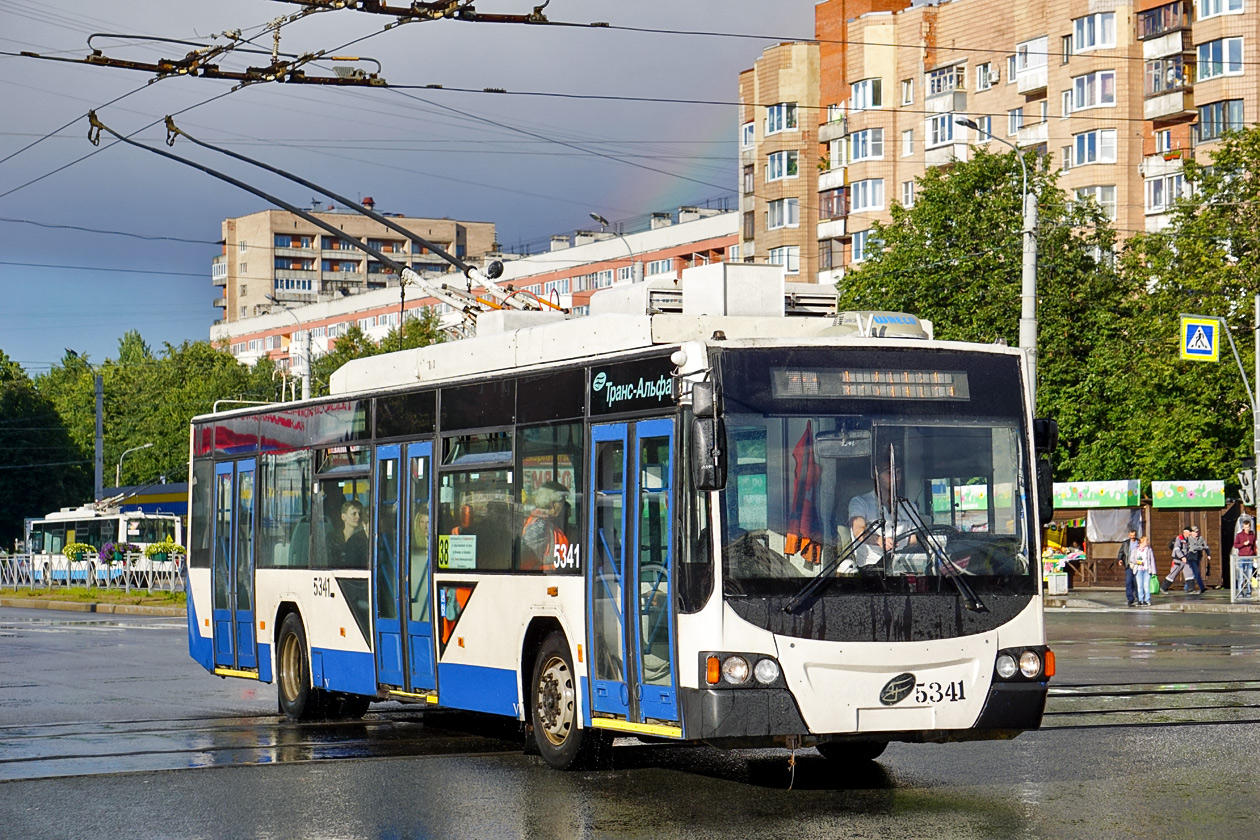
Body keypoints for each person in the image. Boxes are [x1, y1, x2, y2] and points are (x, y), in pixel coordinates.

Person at [845, 456, 920, 571]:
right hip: (871, 570)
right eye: (889, 473)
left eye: (898, 472)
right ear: (877, 476)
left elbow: (914, 541)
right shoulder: (860, 502)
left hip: (902, 568)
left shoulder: (909, 506)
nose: (896, 477)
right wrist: (879, 540)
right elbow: (858, 530)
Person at [521, 480, 571, 571]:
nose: (564, 507)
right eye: (562, 502)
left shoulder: (548, 523)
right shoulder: (539, 526)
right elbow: (527, 560)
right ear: (553, 504)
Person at [340, 499, 369, 568]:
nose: (358, 517)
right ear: (343, 517)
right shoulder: (333, 538)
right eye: (354, 514)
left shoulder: (366, 537)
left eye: (360, 514)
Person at [1117, 529, 1139, 607]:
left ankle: (1138, 596)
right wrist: (1120, 559)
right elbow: (1121, 552)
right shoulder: (1126, 543)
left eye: (1134, 535)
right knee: (1129, 581)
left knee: (1136, 581)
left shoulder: (1138, 542)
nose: (1132, 537)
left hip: (1137, 565)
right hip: (1128, 564)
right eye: (1131, 535)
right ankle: (1130, 598)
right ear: (1129, 535)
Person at [1165, 526, 1190, 594]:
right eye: (1188, 532)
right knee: (1173, 574)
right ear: (1184, 532)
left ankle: (1190, 589)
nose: (1189, 534)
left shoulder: (1188, 539)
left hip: (1185, 559)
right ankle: (1164, 587)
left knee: (1189, 574)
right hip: (1178, 560)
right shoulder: (1179, 538)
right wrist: (1182, 556)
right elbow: (1177, 549)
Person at [1131, 535, 1156, 606]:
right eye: (1145, 541)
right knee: (1140, 586)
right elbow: (1132, 559)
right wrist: (1137, 562)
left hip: (1147, 569)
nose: (1147, 542)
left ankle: (1147, 600)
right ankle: (1140, 600)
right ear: (1141, 541)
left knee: (1146, 586)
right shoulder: (1135, 549)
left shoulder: (1149, 549)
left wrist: (1153, 571)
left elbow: (1152, 560)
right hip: (1138, 569)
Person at [1235, 517, 1256, 599]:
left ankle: (1248, 591)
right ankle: (1240, 592)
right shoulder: (1239, 535)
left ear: (1250, 527)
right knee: (1241, 576)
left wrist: (1255, 555)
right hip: (1242, 557)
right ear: (1243, 527)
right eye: (1245, 527)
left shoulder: (1252, 535)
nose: (1246, 529)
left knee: (1249, 575)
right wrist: (1243, 544)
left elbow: (1254, 546)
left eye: (1248, 527)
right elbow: (1235, 545)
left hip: (1250, 556)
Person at [1185, 524, 1209, 595]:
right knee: (1196, 572)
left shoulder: (1201, 538)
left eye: (1197, 532)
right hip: (1191, 557)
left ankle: (1187, 587)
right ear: (1191, 532)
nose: (1196, 533)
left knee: (1193, 573)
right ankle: (1202, 587)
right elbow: (1193, 547)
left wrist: (1208, 554)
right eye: (1195, 532)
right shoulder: (1189, 539)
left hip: (1198, 557)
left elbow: (1206, 546)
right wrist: (1201, 547)